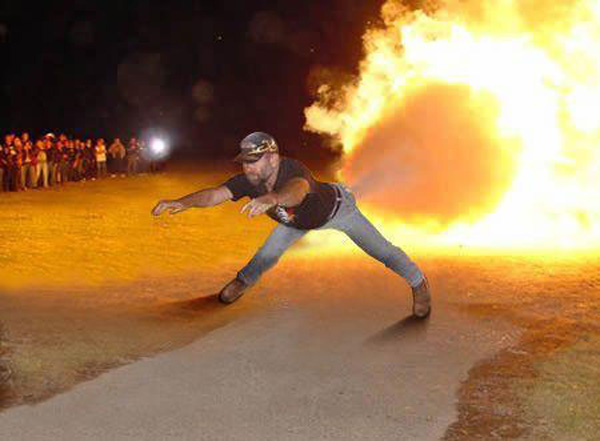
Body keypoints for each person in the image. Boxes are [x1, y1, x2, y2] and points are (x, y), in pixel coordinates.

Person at [151, 132, 432, 318]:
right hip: (296, 221)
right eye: (245, 162)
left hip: (338, 210)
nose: (247, 168)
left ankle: (418, 282)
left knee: (382, 251)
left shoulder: (293, 170)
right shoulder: (248, 181)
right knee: (267, 254)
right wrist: (183, 202)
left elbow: (298, 190)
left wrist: (272, 198)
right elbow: (215, 194)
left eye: (254, 161)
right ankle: (242, 282)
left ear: (273, 158)